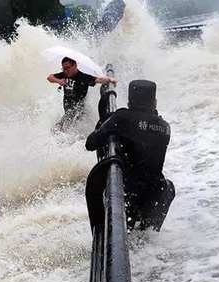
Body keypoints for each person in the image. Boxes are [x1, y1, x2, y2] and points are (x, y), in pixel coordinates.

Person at [85, 80, 175, 231]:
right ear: (154, 101)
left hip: (128, 193)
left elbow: (91, 143)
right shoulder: (165, 127)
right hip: (154, 193)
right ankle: (150, 232)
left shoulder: (122, 118)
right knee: (169, 187)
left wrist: (108, 122)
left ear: (130, 100)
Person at [47, 57, 115, 130]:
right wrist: (58, 81)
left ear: (75, 65)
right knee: (56, 129)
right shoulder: (64, 74)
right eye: (64, 68)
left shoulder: (83, 77)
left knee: (63, 129)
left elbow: (97, 79)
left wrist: (110, 79)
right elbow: (50, 77)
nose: (66, 70)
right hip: (68, 110)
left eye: (68, 68)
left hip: (78, 110)